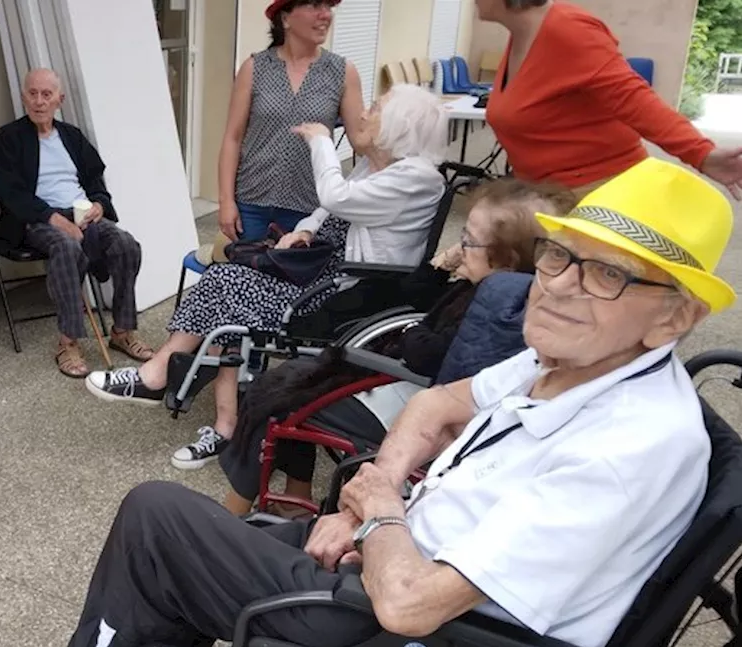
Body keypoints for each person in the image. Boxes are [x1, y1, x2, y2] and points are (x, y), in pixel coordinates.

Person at [0, 156, 734, 647]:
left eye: (608, 275)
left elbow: (414, 604)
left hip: (439, 644)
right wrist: (360, 510)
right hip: (399, 559)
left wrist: (379, 512)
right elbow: (432, 409)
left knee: (159, 519)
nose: (559, 287)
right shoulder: (573, 359)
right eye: (562, 257)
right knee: (217, 539)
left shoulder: (626, 447)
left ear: (675, 316)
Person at [86, 84, 448, 471]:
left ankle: (170, 387)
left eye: (375, 108)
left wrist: (322, 142)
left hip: (347, 290)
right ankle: (209, 414)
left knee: (229, 288)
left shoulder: (418, 178)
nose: (363, 113)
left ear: (401, 126)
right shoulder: (381, 165)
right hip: (320, 269)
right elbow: (326, 212)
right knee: (226, 282)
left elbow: (336, 197)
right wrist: (305, 230)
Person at [221, 179, 577, 516]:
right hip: (404, 386)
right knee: (289, 378)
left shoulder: (486, 309)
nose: (461, 244)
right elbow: (416, 294)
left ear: (506, 259)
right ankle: (294, 501)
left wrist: (410, 332)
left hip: (404, 398)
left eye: (468, 239)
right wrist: (444, 266)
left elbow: (424, 355)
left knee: (271, 395)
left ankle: (236, 509)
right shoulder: (501, 297)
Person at [479, 0, 742, 199]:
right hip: (545, 195)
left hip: (595, 195)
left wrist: (701, 153)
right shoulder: (523, 35)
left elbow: (636, 101)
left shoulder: (569, 30)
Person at [0, 68, 154, 378]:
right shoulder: (8, 138)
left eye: (46, 95)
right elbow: (12, 194)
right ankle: (68, 342)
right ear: (24, 97)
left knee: (125, 245)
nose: (39, 101)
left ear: (59, 100)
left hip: (80, 214)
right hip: (36, 218)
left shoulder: (72, 137)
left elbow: (96, 183)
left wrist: (98, 206)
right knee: (65, 247)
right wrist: (53, 218)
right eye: (33, 94)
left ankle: (122, 330)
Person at [218, 0, 368, 243]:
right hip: (251, 202)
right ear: (285, 18)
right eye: (313, 6)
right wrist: (226, 201)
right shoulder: (254, 68)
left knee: (296, 278)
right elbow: (232, 138)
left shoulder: (342, 72)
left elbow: (362, 142)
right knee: (245, 276)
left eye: (328, 7)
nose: (325, 15)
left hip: (308, 206)